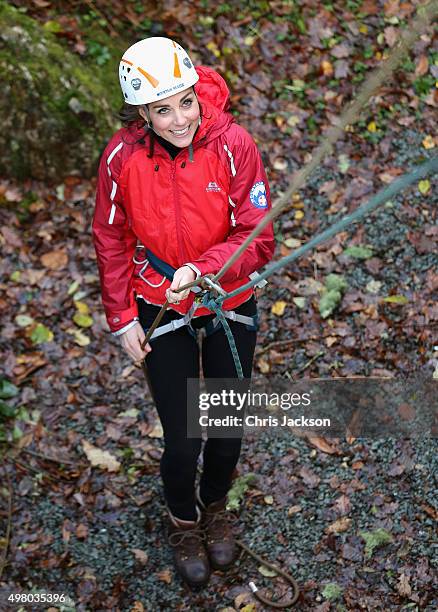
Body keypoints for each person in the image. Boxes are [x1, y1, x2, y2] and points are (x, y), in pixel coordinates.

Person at [92, 37, 275, 588]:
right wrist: (122, 316)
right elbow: (110, 234)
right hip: (157, 299)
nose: (178, 119)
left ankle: (215, 505)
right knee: (183, 436)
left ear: (199, 94)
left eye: (185, 102)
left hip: (227, 298)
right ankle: (183, 519)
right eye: (161, 109)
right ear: (142, 114)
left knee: (224, 426)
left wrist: (207, 268)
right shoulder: (122, 158)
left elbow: (257, 234)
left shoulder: (234, 144)